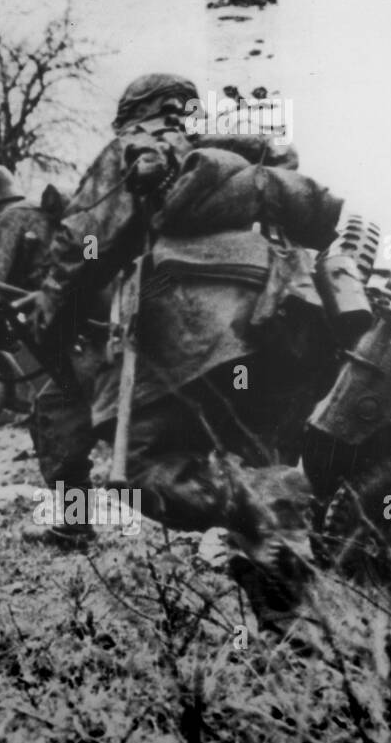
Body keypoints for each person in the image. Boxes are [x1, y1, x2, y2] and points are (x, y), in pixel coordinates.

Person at [22, 74, 342, 631]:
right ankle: (289, 625)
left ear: (131, 112)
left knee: (140, 466)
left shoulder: (137, 148)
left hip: (201, 332)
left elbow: (83, 245)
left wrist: (50, 315)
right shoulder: (230, 157)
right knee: (256, 459)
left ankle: (260, 515)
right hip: (285, 323)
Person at [0, 165, 105, 548]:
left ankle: (75, 527)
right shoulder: (41, 216)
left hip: (83, 341)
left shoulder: (5, 221)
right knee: (54, 412)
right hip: (94, 333)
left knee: (54, 418)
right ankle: (75, 523)